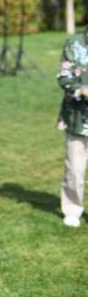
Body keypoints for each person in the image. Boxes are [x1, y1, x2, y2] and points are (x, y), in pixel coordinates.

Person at [56, 30, 88, 227]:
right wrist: (82, 90)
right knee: (75, 168)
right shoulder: (74, 43)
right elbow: (63, 76)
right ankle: (72, 208)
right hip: (77, 117)